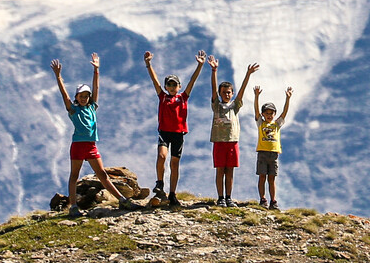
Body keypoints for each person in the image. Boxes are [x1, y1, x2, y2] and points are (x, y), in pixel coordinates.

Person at [52, 54, 127, 211]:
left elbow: (96, 88)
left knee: (102, 174)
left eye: (86, 96)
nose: (84, 98)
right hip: (78, 146)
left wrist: (96, 70)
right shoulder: (73, 110)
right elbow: (64, 95)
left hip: (91, 146)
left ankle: (122, 199)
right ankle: (73, 206)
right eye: (81, 96)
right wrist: (58, 77)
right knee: (74, 176)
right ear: (77, 97)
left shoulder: (92, 107)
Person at [142, 50, 206, 208]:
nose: (171, 87)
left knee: (174, 164)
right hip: (164, 132)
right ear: (165, 86)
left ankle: (172, 194)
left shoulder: (183, 97)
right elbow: (154, 80)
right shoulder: (162, 96)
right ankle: (159, 183)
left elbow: (192, 80)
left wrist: (200, 65)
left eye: (174, 84)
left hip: (178, 133)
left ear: (179, 86)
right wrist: (148, 64)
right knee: (162, 156)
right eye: (169, 85)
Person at [205, 57, 258, 207]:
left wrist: (248, 74)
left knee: (230, 171)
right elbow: (213, 89)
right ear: (220, 93)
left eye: (229, 92)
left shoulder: (235, 107)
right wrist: (214, 71)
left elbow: (241, 92)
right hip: (219, 141)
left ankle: (229, 197)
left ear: (232, 93)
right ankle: (220, 197)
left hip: (232, 141)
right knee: (220, 170)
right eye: (224, 92)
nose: (226, 95)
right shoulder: (216, 106)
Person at [250, 83, 292, 212]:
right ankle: (263, 199)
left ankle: (273, 201)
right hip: (262, 153)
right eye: (266, 113)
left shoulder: (277, 124)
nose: (269, 115)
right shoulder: (261, 123)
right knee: (262, 176)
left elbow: (284, 113)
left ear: (274, 114)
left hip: (273, 153)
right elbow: (256, 111)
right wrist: (256, 97)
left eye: (271, 113)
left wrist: (288, 99)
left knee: (272, 178)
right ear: (263, 114)